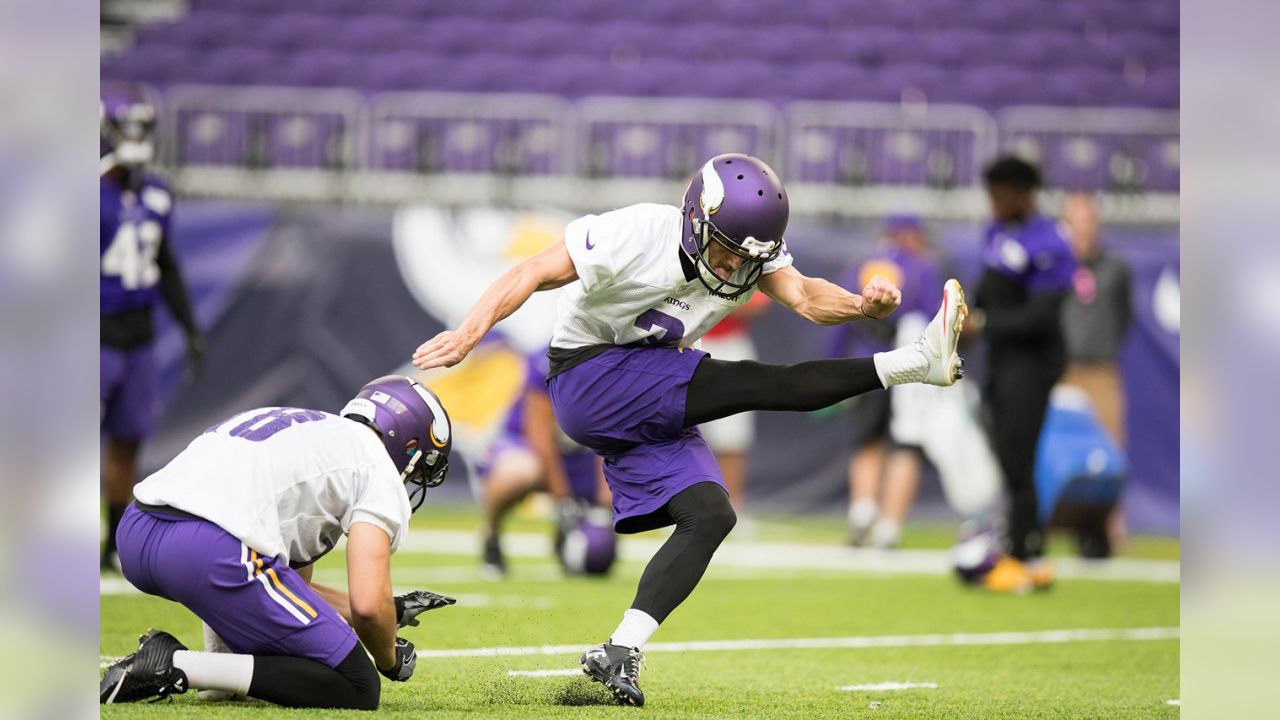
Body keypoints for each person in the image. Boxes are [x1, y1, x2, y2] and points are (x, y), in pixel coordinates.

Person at [412, 153, 967, 706]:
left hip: (647, 379)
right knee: (760, 383)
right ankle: (917, 363)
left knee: (709, 515)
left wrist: (860, 306)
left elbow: (802, 295)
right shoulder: (636, 231)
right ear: (696, 218)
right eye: (724, 250)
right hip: (590, 373)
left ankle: (620, 649)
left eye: (744, 257)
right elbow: (529, 271)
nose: (730, 269)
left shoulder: (748, 248)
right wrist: (468, 334)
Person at [99, 376, 457, 708]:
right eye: (421, 464)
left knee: (284, 635)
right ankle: (176, 664)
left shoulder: (307, 427)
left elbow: (287, 589)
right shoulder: (374, 464)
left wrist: (388, 610)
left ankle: (220, 670)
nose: (412, 478)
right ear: (409, 444)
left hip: (138, 530)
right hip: (208, 553)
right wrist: (389, 658)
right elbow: (367, 607)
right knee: (358, 684)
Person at [100, 84, 205, 571]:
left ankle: (113, 538)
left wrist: (189, 328)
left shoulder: (157, 192)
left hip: (139, 335)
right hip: (93, 331)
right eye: (129, 127)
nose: (137, 136)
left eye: (143, 127)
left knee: (128, 437)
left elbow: (167, 263)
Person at [967, 156, 1077, 593]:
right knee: (1006, 455)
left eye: (1000, 194)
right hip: (1001, 358)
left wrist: (985, 324)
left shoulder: (1051, 242)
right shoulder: (998, 231)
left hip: (1033, 361)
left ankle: (1027, 554)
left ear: (1023, 194)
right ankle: (1020, 549)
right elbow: (989, 291)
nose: (993, 203)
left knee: (1019, 456)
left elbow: (1043, 316)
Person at [829, 214, 943, 549]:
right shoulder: (922, 268)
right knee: (906, 446)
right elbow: (933, 320)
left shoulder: (863, 265)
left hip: (870, 366)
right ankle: (889, 526)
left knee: (868, 442)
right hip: (912, 369)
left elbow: (842, 316)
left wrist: (836, 368)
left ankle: (862, 513)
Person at [481, 347, 608, 578]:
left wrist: (604, 504)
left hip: (581, 452)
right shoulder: (549, 358)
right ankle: (491, 536)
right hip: (527, 445)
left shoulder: (612, 357)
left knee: (621, 483)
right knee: (519, 472)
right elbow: (541, 437)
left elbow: (609, 430)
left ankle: (575, 536)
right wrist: (564, 500)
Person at [1059, 192, 1133, 557]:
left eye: (1089, 220)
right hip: (1060, 370)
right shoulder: (1054, 266)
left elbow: (1123, 316)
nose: (1083, 229)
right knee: (1054, 446)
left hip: (1100, 370)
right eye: (1076, 221)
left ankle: (1111, 525)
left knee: (1111, 447)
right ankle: (1051, 524)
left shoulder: (1115, 269)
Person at [696, 293, 769, 512]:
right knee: (678, 433)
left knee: (732, 436)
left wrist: (709, 297)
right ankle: (677, 509)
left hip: (730, 345)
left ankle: (732, 507)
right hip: (689, 340)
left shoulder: (744, 260)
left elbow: (757, 304)